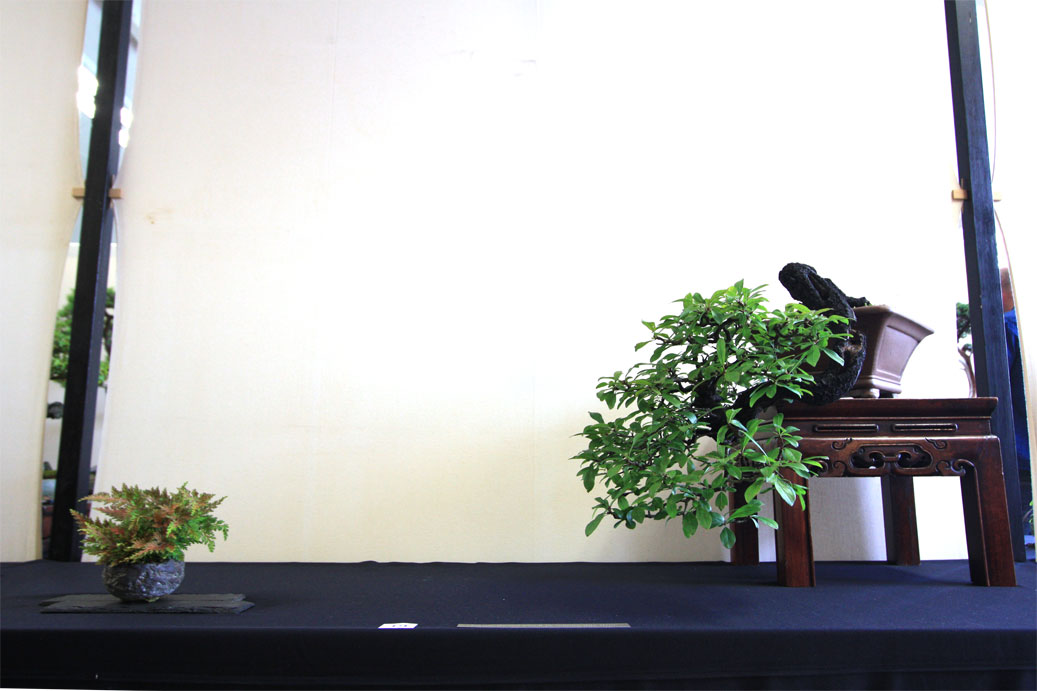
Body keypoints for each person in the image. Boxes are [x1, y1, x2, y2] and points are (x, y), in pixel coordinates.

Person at [1001, 268, 1032, 540]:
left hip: (1019, 446)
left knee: (1017, 534)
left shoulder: (1007, 326)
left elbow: (999, 388)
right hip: (1026, 446)